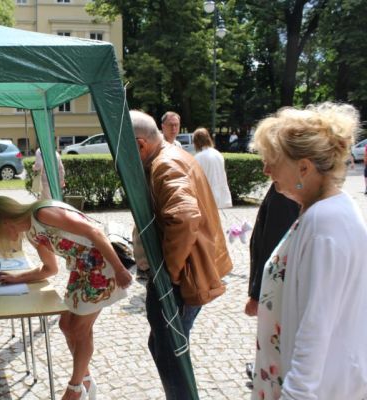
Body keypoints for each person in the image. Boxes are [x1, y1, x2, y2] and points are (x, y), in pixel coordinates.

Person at [250, 102, 367, 399]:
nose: (266, 169)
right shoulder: (322, 211)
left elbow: (316, 325)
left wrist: (296, 394)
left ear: (304, 166)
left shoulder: (324, 222)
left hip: (321, 387)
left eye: (273, 160)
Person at [0, 196, 132, 400]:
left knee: (80, 329)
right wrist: (16, 279)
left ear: (4, 221)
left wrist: (120, 269)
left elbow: (94, 232)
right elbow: (49, 269)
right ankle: (86, 381)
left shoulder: (42, 214)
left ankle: (75, 389)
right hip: (82, 269)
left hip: (103, 267)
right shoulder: (32, 233)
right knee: (66, 325)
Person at [131, 110, 232, 399]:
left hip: (181, 279)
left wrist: (169, 274)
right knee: (164, 348)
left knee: (171, 354)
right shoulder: (167, 158)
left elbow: (185, 217)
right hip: (182, 276)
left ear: (140, 145)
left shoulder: (165, 164)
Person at [244, 185, 299, 317]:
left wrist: (257, 295)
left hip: (278, 293)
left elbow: (274, 247)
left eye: (270, 164)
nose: (266, 170)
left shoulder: (285, 192)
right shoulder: (288, 188)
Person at [193, 127, 233, 209]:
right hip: (219, 194)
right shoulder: (218, 154)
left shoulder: (198, 157)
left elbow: (195, 179)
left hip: (206, 196)